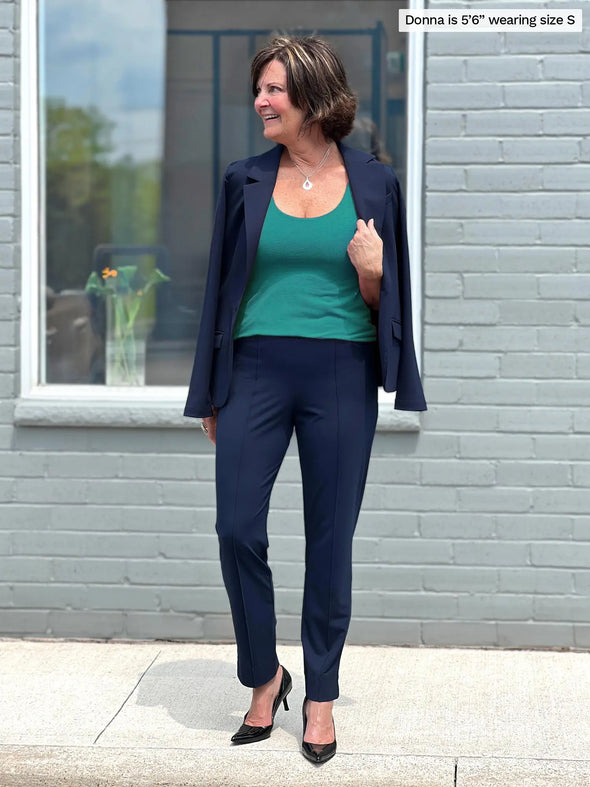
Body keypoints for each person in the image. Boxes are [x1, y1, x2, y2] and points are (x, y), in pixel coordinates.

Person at [184, 34, 426, 765]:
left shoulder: (376, 183)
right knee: (236, 527)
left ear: (315, 95)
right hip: (255, 368)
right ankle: (265, 673)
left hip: (340, 373)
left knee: (330, 541)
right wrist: (211, 391)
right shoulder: (243, 179)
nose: (260, 100)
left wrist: (375, 273)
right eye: (259, 88)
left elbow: (390, 304)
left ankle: (319, 695)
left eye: (274, 89)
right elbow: (219, 293)